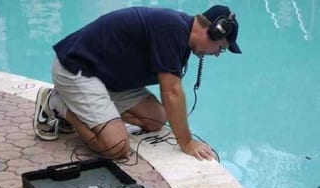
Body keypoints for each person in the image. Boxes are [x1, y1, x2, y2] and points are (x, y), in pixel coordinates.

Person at [33, 5, 241, 161]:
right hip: (78, 68)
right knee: (117, 147)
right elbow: (171, 93)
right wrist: (186, 142)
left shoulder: (182, 35)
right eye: (220, 48)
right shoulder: (172, 29)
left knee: (156, 120)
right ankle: (58, 103)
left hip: (107, 77)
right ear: (213, 32)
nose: (216, 55)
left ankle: (94, 112)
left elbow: (170, 98)